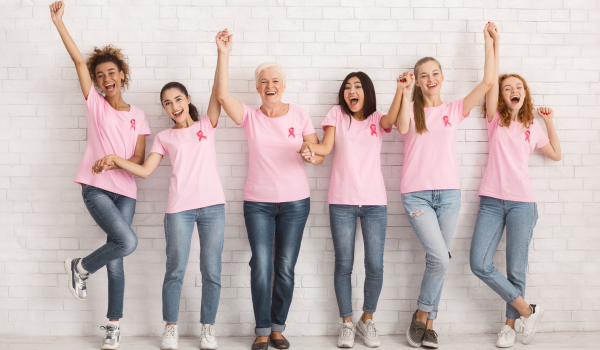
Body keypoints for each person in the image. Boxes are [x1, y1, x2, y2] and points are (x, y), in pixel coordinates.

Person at [95, 79, 224, 350]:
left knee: (211, 270)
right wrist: (116, 159)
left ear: (188, 99)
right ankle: (170, 328)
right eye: (167, 103)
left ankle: (208, 329)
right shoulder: (164, 138)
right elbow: (144, 170)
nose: (173, 106)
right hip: (179, 210)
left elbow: (218, 90)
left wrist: (222, 53)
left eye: (178, 99)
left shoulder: (206, 126)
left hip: (213, 208)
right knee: (175, 269)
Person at [50, 2, 150, 349]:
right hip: (96, 189)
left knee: (118, 256)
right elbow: (80, 61)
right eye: (100, 75)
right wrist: (60, 22)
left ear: (123, 74)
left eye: (112, 73)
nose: (106, 80)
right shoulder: (95, 104)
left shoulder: (139, 114)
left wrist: (115, 160)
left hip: (126, 191)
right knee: (128, 243)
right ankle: (80, 267)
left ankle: (113, 325)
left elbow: (138, 157)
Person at [214, 29, 318, 350]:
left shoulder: (300, 114)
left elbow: (315, 150)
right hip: (257, 203)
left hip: (296, 203)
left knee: (285, 265)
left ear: (283, 86)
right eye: (263, 82)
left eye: (275, 81)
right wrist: (224, 54)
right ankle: (261, 328)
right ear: (257, 88)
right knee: (261, 264)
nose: (269, 86)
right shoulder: (249, 116)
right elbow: (221, 96)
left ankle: (277, 327)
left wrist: (310, 153)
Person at [398, 23, 498, 349]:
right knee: (440, 257)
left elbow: (486, 83)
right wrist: (401, 90)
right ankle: (421, 314)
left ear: (442, 76)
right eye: (424, 75)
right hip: (416, 194)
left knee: (437, 259)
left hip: (450, 195)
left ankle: (427, 322)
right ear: (417, 79)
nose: (431, 79)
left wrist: (490, 42)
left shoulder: (453, 110)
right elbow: (399, 127)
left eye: (435, 73)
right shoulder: (410, 111)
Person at [299, 71, 409, 348]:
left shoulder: (376, 118)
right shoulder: (336, 114)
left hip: (374, 203)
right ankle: (347, 323)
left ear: (367, 92)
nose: (351, 91)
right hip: (342, 202)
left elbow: (392, 120)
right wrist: (308, 149)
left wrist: (400, 89)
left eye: (357, 87)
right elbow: (325, 146)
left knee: (374, 264)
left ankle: (367, 319)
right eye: (347, 87)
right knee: (344, 264)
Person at [469, 23, 562, 348]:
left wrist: (549, 122)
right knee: (479, 262)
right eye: (507, 87)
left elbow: (555, 155)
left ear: (524, 94)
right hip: (492, 201)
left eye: (517, 86)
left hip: (523, 203)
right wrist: (492, 43)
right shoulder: (495, 119)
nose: (511, 90)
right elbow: (490, 80)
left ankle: (509, 326)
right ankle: (527, 309)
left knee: (515, 268)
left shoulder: (532, 126)